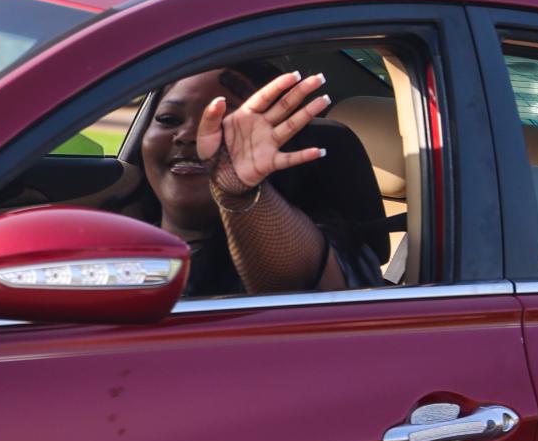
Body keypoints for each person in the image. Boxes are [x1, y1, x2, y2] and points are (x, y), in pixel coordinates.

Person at [140, 64, 385, 296]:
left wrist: (235, 188)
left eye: (225, 124)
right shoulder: (129, 234)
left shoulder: (328, 246)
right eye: (168, 119)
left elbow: (290, 284)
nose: (188, 136)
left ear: (282, 143)